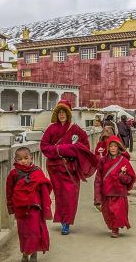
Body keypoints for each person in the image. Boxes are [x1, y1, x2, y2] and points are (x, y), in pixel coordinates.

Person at [40, 100, 98, 235]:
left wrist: (70, 151)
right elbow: (44, 147)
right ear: (57, 114)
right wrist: (63, 149)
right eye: (59, 112)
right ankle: (63, 222)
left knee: (71, 195)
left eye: (64, 112)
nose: (62, 115)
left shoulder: (76, 129)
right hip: (55, 167)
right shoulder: (51, 129)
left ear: (68, 113)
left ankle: (67, 221)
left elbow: (84, 147)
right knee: (60, 195)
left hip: (70, 167)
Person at [6, 147, 52, 262]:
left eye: (26, 158)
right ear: (15, 160)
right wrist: (11, 207)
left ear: (31, 158)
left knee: (35, 231)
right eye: (20, 159)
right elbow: (9, 191)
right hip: (21, 209)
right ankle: (25, 254)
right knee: (24, 232)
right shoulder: (14, 173)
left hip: (35, 208)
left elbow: (45, 189)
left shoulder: (37, 171)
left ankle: (34, 253)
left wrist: (46, 207)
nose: (23, 161)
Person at [94, 135, 136, 238]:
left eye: (115, 146)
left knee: (118, 212)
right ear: (108, 148)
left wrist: (122, 177)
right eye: (111, 146)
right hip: (107, 192)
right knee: (108, 213)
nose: (113, 148)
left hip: (119, 192)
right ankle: (113, 227)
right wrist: (97, 198)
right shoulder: (103, 161)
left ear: (119, 148)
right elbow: (98, 179)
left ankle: (115, 229)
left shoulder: (124, 161)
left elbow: (131, 178)